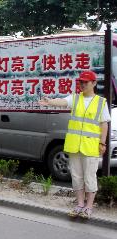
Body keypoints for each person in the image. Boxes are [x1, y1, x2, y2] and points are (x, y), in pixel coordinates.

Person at [39, 70, 110, 219]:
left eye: (86, 82)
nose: (82, 84)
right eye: (81, 82)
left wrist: (102, 143)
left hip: (90, 146)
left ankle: (89, 206)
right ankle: (79, 204)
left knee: (90, 177)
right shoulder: (75, 98)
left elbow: (104, 124)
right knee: (76, 177)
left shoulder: (100, 102)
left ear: (94, 83)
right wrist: (50, 101)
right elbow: (63, 101)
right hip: (74, 145)